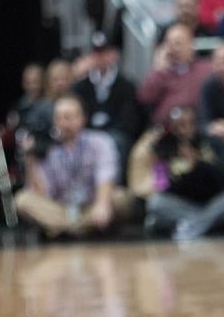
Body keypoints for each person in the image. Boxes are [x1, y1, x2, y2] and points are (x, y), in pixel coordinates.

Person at [14, 95, 130, 238]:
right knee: (23, 200)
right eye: (58, 118)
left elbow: (106, 174)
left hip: (92, 205)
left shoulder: (100, 141)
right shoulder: (47, 147)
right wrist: (30, 158)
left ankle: (61, 229)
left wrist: (101, 204)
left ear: (82, 118)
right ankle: (80, 228)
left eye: (68, 117)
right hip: (61, 208)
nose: (63, 123)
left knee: (120, 198)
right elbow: (42, 192)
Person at [128, 105, 224, 241]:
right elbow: (161, 186)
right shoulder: (164, 148)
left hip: (214, 201)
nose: (185, 129)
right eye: (179, 125)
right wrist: (175, 169)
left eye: (189, 124)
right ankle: (206, 225)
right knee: (155, 203)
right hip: (184, 205)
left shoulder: (211, 142)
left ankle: (193, 227)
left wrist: (198, 164)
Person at [72, 34, 142, 170]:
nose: (101, 58)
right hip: (87, 133)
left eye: (105, 53)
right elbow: (77, 114)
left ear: (115, 55)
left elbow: (129, 120)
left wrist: (104, 135)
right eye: (97, 53)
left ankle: (115, 186)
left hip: (115, 134)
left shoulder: (127, 86)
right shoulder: (80, 86)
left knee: (118, 142)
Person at [138, 24, 211, 126]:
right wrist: (158, 70)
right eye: (169, 44)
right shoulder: (161, 72)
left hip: (197, 125)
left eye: (178, 43)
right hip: (166, 127)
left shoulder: (205, 68)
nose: (174, 48)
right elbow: (144, 98)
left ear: (190, 44)